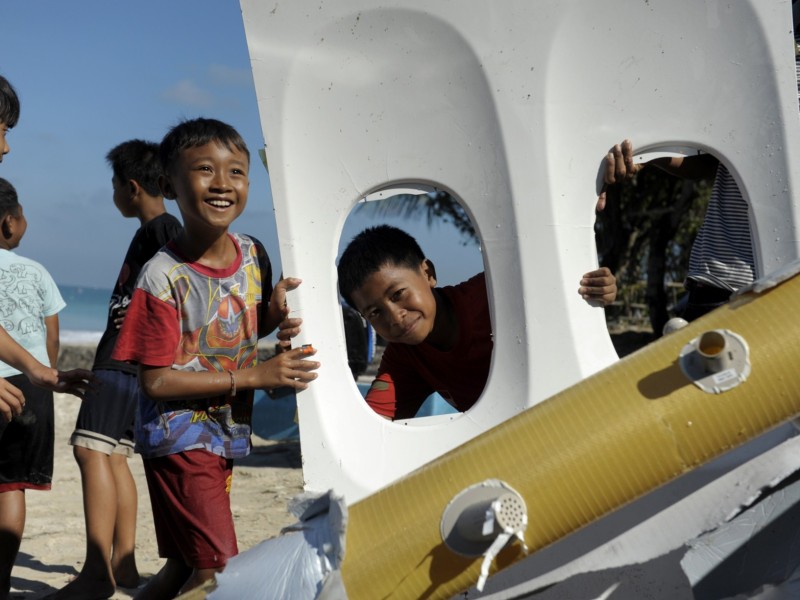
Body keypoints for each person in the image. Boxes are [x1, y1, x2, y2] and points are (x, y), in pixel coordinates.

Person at [111, 117, 320, 598]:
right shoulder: (162, 278)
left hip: (222, 433)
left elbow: (241, 327)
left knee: (182, 569)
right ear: (169, 185)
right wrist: (254, 375)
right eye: (205, 169)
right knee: (217, 575)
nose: (223, 183)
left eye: (237, 171)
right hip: (181, 441)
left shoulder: (252, 253)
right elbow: (156, 382)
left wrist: (273, 313)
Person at [51, 141, 183, 599]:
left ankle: (95, 573)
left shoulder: (159, 229)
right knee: (114, 456)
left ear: (131, 188)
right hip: (139, 365)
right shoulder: (165, 230)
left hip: (120, 359)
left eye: (113, 186)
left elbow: (174, 291)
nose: (111, 195)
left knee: (90, 452)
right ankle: (123, 566)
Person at [336, 224, 617, 420]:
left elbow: (568, 291)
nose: (394, 317)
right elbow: (368, 428)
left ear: (428, 273)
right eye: (375, 313)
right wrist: (293, 370)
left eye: (398, 294)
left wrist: (600, 289)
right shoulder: (405, 358)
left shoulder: (496, 295)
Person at [0, 177, 70, 598]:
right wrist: (49, 372)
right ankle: (2, 580)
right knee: (10, 484)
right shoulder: (36, 270)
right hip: (31, 384)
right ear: (10, 223)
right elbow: (53, 336)